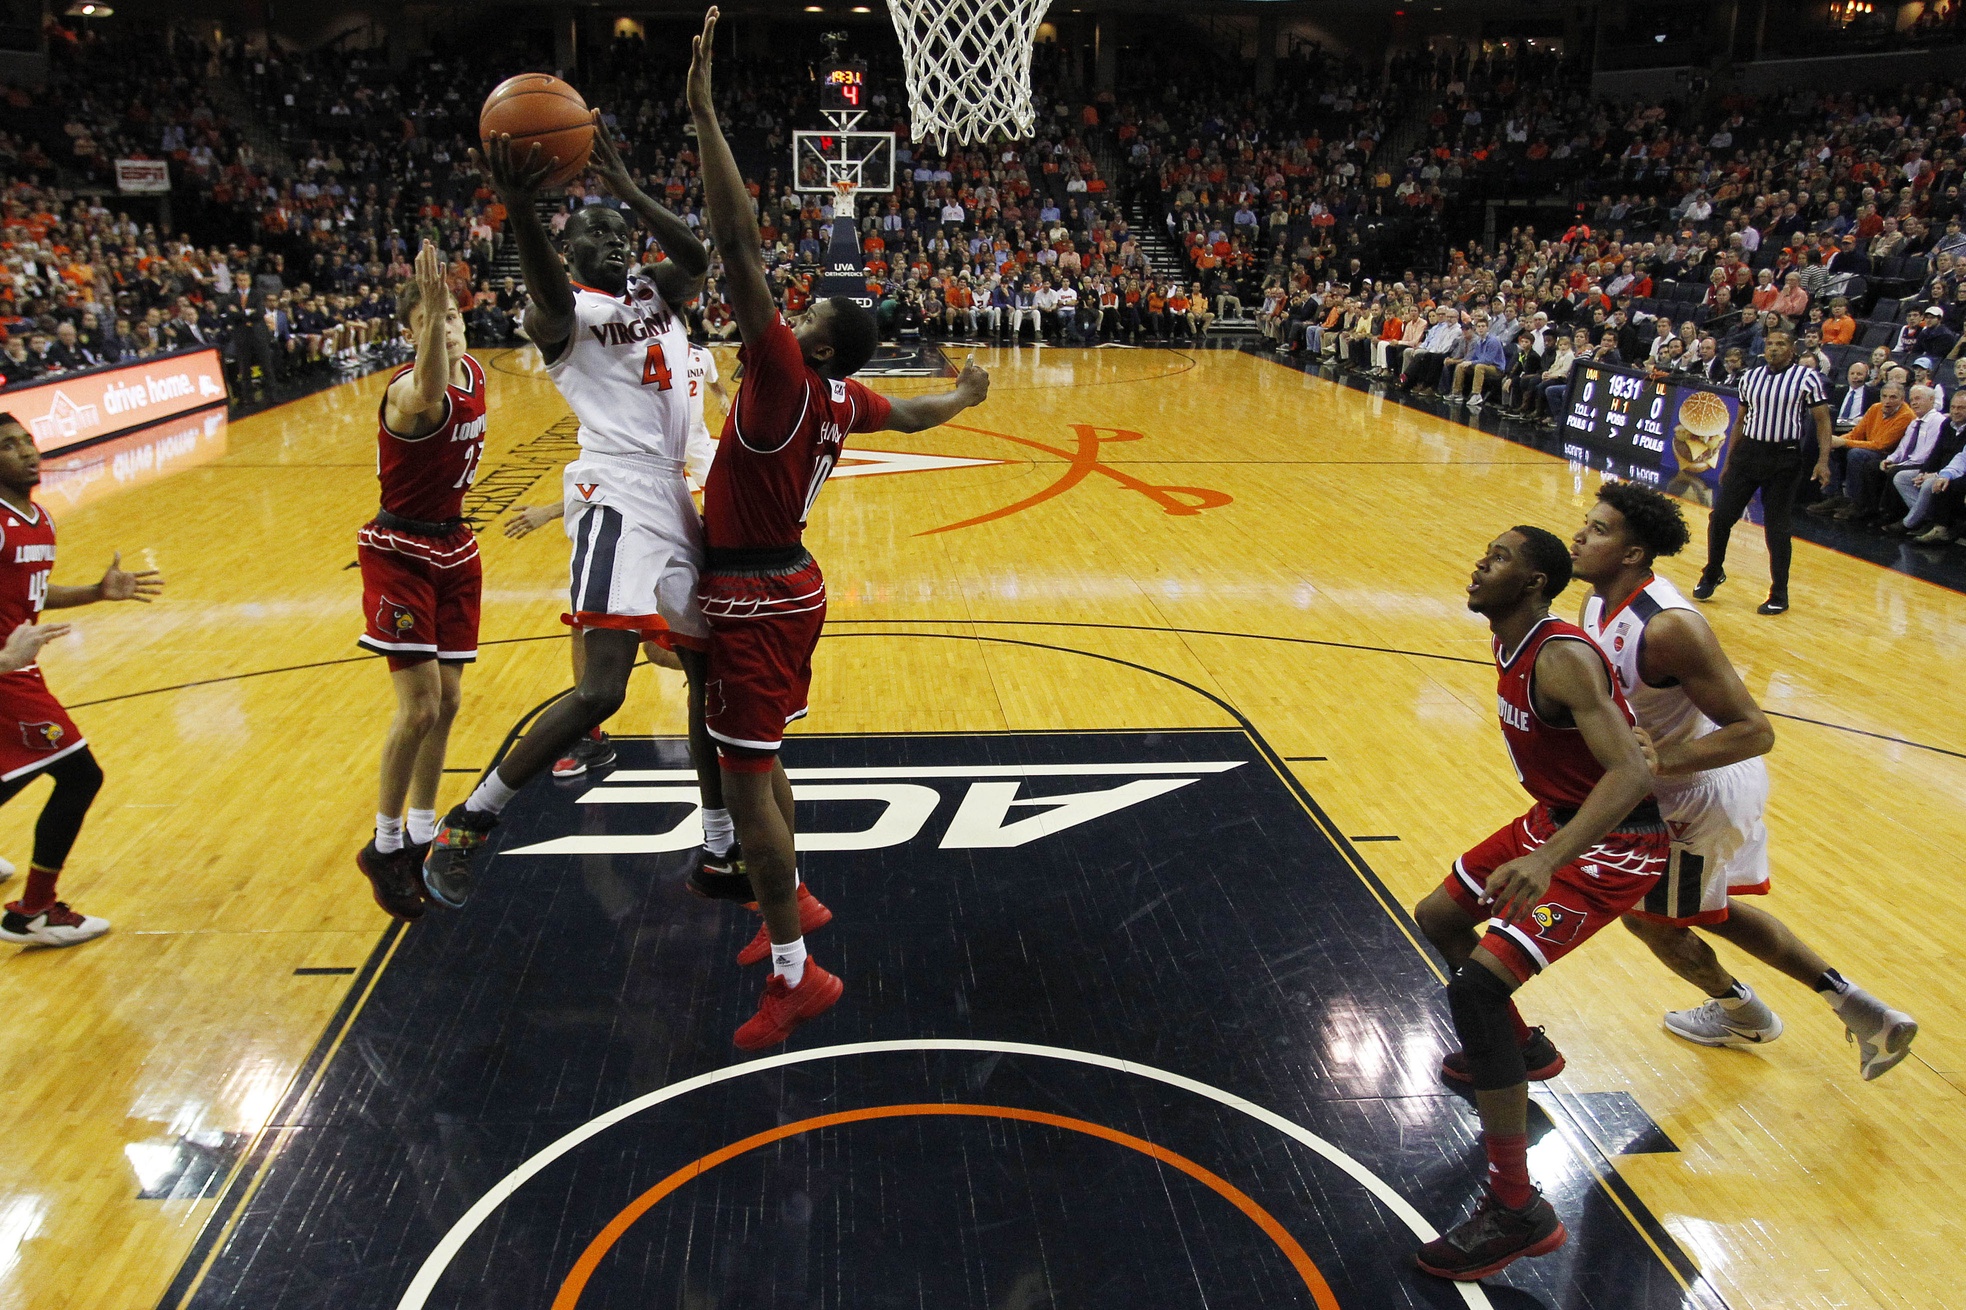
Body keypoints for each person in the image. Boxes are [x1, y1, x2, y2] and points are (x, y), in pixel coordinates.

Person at [688, 7, 990, 1048]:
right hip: (789, 583)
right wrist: (967, 394)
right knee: (764, 765)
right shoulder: (844, 397)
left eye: (808, 305)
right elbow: (911, 411)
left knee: (745, 782)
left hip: (756, 592)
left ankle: (794, 970)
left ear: (814, 334)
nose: (796, 303)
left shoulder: (780, 376)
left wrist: (704, 113)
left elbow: (732, 238)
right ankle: (796, 904)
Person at [424, 104, 724, 909]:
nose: (616, 242)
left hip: (670, 491)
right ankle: (469, 823)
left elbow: (699, 255)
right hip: (616, 492)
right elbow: (549, 293)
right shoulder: (562, 317)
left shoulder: (653, 290)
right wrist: (520, 208)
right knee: (601, 692)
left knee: (708, 670)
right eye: (597, 235)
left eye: (619, 233)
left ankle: (722, 841)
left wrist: (629, 185)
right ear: (569, 251)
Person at [1572, 482, 1917, 1077]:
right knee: (1707, 908)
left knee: (1647, 915)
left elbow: (1755, 729)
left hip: (1699, 789)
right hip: (1677, 790)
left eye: (1599, 529)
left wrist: (1660, 761)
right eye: (1587, 523)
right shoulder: (1596, 605)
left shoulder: (1669, 626)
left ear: (1634, 554)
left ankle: (1743, 1013)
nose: (1579, 535)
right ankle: (1862, 1008)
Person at [1411, 525, 1665, 1280]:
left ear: (1531, 584)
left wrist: (1549, 859)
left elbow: (1630, 775)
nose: (1478, 562)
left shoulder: (1559, 657)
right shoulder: (1509, 637)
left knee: (1480, 990)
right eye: (1483, 550)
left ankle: (1518, 1210)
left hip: (1614, 844)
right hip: (1555, 814)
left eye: (1498, 558)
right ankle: (1524, 1053)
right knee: (1440, 917)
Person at [354, 242, 488, 920]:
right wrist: (432, 316)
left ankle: (424, 830)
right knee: (420, 706)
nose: (453, 327)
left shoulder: (479, 373)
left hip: (454, 543)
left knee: (453, 700)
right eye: (438, 322)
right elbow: (430, 388)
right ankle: (384, 846)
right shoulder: (407, 392)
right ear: (413, 331)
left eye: (458, 317)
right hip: (401, 546)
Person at [0, 415, 164, 946]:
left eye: (26, 440)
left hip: (17, 668)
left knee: (35, 770)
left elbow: (30, 595)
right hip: (5, 675)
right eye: (8, 446)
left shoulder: (38, 518)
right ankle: (34, 912)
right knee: (78, 774)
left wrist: (97, 591)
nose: (27, 451)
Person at [1693, 329, 1830, 616]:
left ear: (1792, 350)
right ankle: (1712, 572)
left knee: (1777, 529)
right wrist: (1728, 461)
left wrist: (1823, 460)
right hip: (1748, 453)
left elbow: (1822, 421)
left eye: (1781, 344)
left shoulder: (1806, 378)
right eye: (1769, 344)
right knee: (1720, 517)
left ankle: (1779, 592)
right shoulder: (1750, 377)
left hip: (1784, 458)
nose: (1774, 349)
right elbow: (1741, 421)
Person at [682, 341, 730, 493]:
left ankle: (707, 517)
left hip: (696, 432)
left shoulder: (702, 354)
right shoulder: (659, 354)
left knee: (715, 488)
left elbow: (714, 383)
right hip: (665, 432)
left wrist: (723, 396)